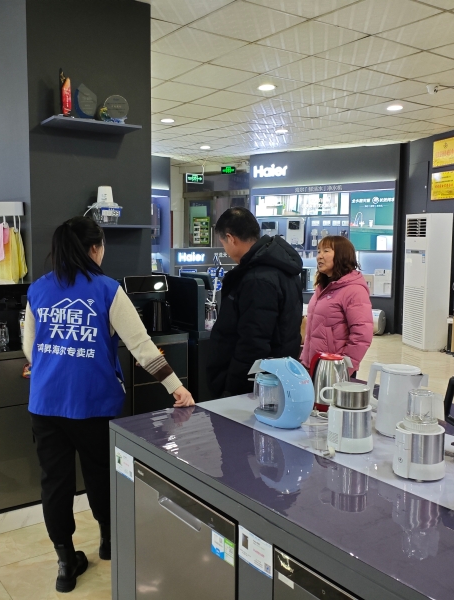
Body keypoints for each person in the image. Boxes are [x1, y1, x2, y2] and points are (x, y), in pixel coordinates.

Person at [23, 217, 194, 593]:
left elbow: (30, 348)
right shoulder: (106, 290)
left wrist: (52, 365)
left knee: (55, 483)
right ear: (94, 249)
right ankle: (109, 542)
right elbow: (141, 346)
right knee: (101, 474)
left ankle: (65, 563)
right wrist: (176, 387)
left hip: (45, 403)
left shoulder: (38, 289)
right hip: (93, 403)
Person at [207, 207, 303, 398]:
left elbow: (253, 342)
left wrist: (231, 388)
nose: (225, 249)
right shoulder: (282, 268)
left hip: (254, 385)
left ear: (231, 238)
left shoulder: (257, 278)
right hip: (277, 374)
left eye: (223, 243)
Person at [300, 236, 373, 377]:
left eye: (326, 251)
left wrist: (343, 369)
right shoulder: (323, 287)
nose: (319, 256)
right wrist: (305, 360)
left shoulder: (354, 290)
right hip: (314, 365)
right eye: (318, 251)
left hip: (334, 369)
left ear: (341, 255)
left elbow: (362, 335)